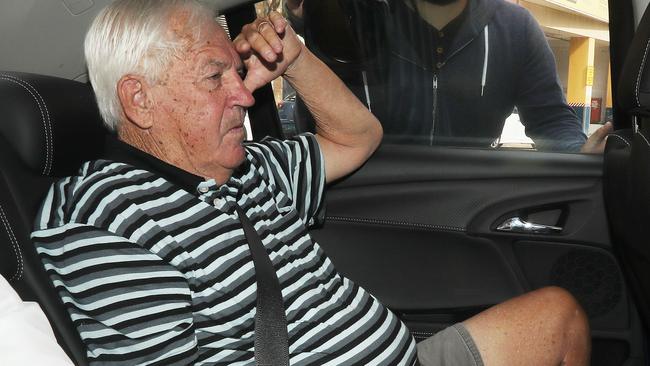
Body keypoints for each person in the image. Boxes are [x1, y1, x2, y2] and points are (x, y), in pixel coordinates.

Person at [31, 0, 590, 365]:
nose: (246, 95)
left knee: (558, 316)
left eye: (237, 70)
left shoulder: (248, 165)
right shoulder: (103, 222)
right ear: (140, 100)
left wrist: (292, 56)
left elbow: (359, 137)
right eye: (214, 76)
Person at [285, 0, 612, 152]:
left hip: (468, 204)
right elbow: (315, 121)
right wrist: (309, 19)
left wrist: (579, 154)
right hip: (363, 199)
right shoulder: (355, 19)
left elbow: (551, 121)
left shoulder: (516, 28)